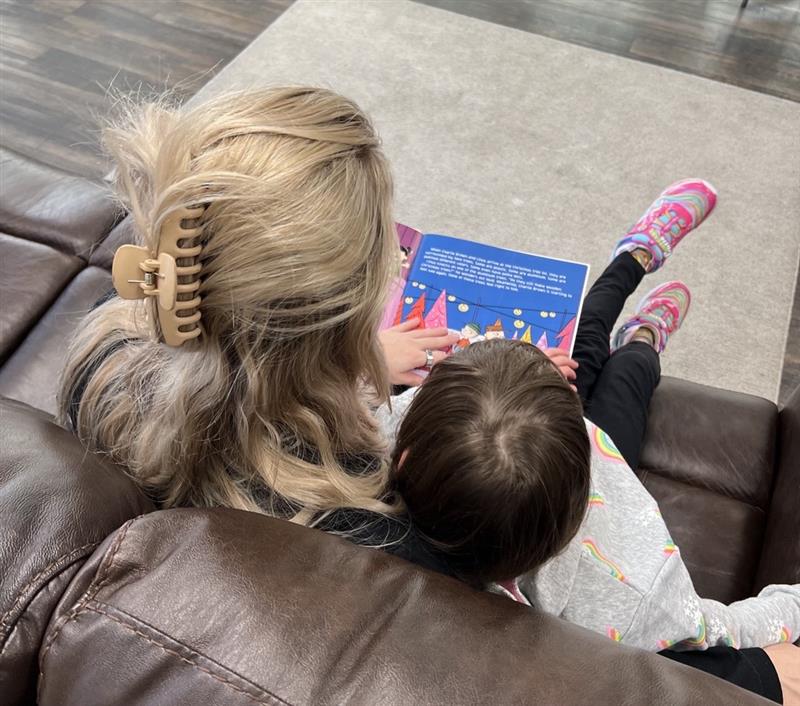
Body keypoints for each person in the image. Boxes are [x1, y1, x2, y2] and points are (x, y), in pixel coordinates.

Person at [57, 88, 792, 700]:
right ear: (335, 332)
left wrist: (369, 355)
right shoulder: (392, 535)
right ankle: (636, 325)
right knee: (577, 407)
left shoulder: (111, 353)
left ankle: (634, 323)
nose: (401, 261)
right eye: (391, 258)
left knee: (563, 391)